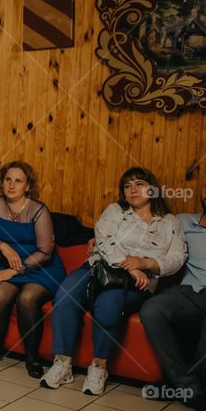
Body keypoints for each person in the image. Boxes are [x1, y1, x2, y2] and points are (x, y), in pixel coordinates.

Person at [42, 167, 186, 395]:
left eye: (139, 184)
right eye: (127, 186)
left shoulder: (169, 222)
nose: (133, 190)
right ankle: (62, 363)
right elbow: (105, 238)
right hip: (100, 269)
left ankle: (99, 367)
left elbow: (177, 257)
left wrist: (145, 264)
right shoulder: (116, 211)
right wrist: (130, 266)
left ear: (152, 188)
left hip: (138, 283)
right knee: (65, 294)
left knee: (108, 305)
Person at [137, 167, 206, 411]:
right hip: (190, 290)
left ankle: (181, 387)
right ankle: (192, 389)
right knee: (152, 309)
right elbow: (143, 241)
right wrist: (96, 243)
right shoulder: (182, 221)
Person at [0, 161, 65, 378]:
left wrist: (13, 272)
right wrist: (1, 245)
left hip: (41, 268)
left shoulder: (38, 210)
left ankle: (32, 358)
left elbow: (45, 251)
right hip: (10, 264)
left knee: (27, 299)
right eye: (8, 179)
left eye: (18, 181)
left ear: (27, 185)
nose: (12, 185)